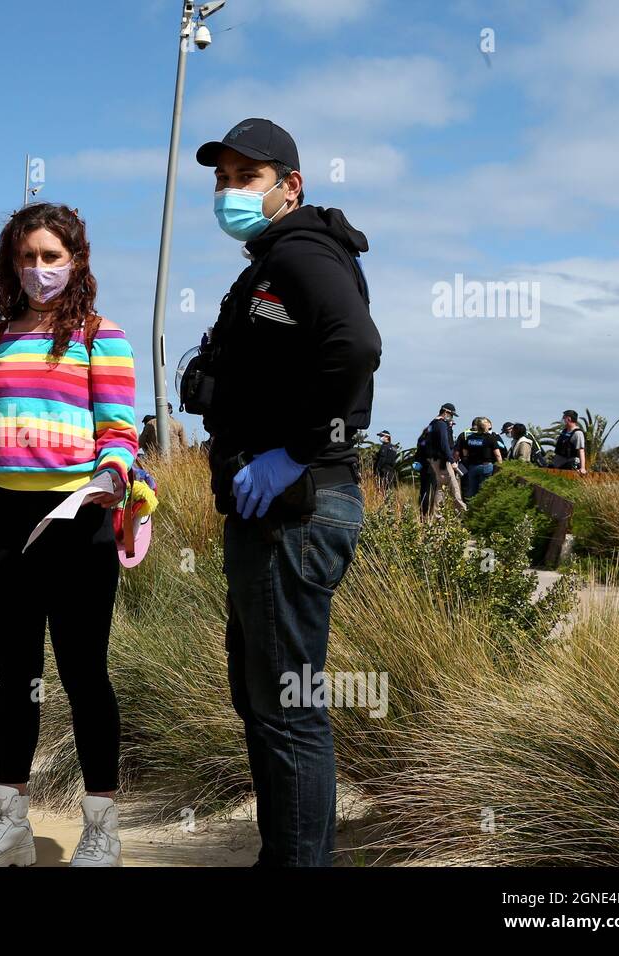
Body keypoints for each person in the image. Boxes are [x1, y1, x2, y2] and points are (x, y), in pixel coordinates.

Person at [188, 118, 381, 865]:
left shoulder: (301, 252)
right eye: (221, 179)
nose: (228, 191)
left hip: (295, 510)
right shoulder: (270, 262)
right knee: (266, 703)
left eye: (245, 178)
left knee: (290, 710)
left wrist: (294, 452)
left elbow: (356, 346)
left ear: (289, 185)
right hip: (269, 512)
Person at [0, 202, 137, 867]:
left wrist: (110, 477)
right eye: (27, 257)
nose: (38, 269)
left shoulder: (100, 336)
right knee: (15, 677)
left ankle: (102, 829)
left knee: (85, 675)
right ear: (10, 264)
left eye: (51, 256)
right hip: (4, 520)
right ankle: (11, 824)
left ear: (75, 261)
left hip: (79, 522)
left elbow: (119, 434)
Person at [424, 402, 466, 515]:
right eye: (451, 415)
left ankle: (438, 517)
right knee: (454, 488)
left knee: (440, 488)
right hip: (443, 460)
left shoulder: (433, 424)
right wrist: (451, 461)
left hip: (435, 460)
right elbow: (444, 444)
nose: (451, 417)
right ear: (446, 412)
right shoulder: (441, 424)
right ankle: (463, 514)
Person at [460, 417, 502, 498]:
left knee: (472, 491)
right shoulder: (490, 438)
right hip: (486, 467)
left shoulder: (470, 438)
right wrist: (500, 466)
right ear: (486, 427)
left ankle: (472, 508)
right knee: (485, 491)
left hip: (473, 467)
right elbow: (498, 455)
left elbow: (465, 453)